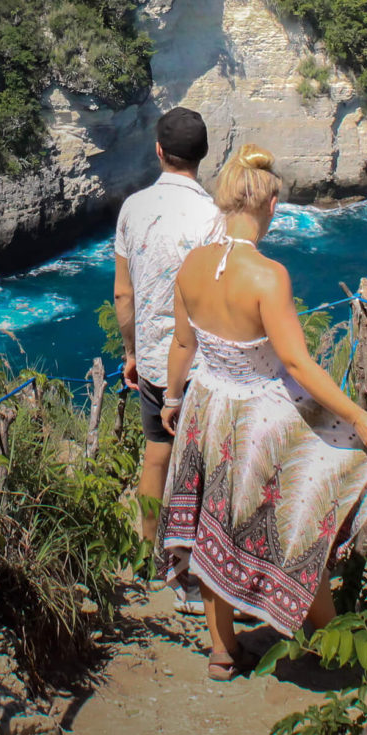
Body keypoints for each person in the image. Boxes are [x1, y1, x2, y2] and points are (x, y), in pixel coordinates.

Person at [157, 145, 367, 680]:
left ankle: (223, 650)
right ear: (264, 204)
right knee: (299, 525)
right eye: (276, 204)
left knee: (211, 525)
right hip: (258, 417)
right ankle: (326, 642)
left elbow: (181, 344)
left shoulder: (192, 264)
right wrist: (358, 418)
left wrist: (173, 400)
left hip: (204, 407)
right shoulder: (269, 275)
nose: (277, 213)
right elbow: (295, 361)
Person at [114, 106, 222, 568]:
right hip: (200, 363)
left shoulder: (133, 207)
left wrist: (131, 353)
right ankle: (196, 558)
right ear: (203, 156)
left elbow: (123, 293)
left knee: (156, 455)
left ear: (159, 151)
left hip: (156, 363)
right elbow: (217, 295)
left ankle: (148, 551)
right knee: (203, 465)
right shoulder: (212, 216)